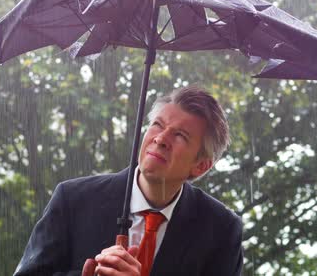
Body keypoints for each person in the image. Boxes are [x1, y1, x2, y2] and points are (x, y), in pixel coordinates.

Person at [14, 85, 243, 276]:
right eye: (158, 125)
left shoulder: (221, 229)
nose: (161, 139)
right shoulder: (72, 200)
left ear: (201, 165)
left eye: (180, 136)